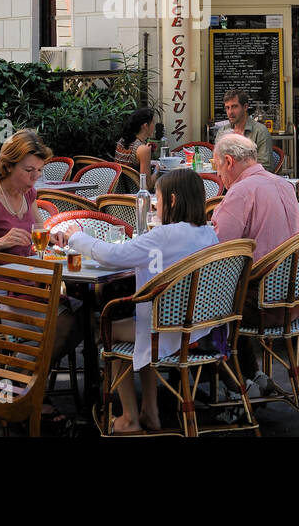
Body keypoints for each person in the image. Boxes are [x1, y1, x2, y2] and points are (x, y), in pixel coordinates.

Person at [53, 168, 217, 433]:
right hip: (203, 328)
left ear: (173, 200)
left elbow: (112, 256)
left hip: (169, 332)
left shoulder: (164, 236)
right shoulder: (208, 233)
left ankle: (129, 417)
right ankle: (149, 411)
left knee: (106, 328)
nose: (155, 203)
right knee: (134, 327)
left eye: (158, 198)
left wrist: (75, 235)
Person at [0, 128, 78, 357]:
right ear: (8, 165)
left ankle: (26, 377)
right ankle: (24, 380)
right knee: (66, 323)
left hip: (25, 286)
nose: (35, 177)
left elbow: (38, 231)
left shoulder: (28, 193)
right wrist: (0, 242)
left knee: (84, 317)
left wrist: (52, 238)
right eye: (29, 170)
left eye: (39, 170)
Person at [210, 132, 299, 397]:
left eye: (217, 168)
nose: (219, 177)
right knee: (231, 298)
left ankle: (236, 388)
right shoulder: (285, 185)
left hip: (265, 304)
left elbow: (218, 251)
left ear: (228, 161)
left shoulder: (241, 191)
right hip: (296, 298)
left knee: (198, 308)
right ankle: (254, 376)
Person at [218, 90, 273, 165]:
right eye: (227, 108)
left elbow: (265, 166)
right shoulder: (222, 131)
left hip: (252, 176)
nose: (230, 112)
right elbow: (217, 160)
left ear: (245, 107)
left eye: (234, 106)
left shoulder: (260, 131)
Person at [114, 107, 158, 189]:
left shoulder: (122, 141)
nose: (154, 126)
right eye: (153, 123)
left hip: (120, 192)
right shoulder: (142, 149)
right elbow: (147, 186)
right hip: (137, 194)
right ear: (145, 126)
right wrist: (158, 169)